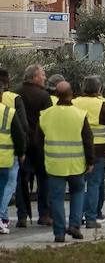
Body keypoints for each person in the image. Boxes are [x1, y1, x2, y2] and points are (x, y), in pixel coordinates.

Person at [36, 81, 93, 243]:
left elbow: (38, 141)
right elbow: (88, 140)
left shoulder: (46, 115)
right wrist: (90, 161)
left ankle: (59, 233)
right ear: (71, 94)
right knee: (77, 193)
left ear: (56, 95)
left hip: (54, 164)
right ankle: (75, 224)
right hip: (76, 164)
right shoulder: (80, 114)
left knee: (56, 198)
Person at [73, 76, 105, 230]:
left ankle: (77, 216)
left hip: (77, 148)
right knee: (94, 184)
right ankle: (91, 217)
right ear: (100, 89)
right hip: (98, 150)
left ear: (83, 88)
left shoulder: (74, 102)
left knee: (79, 184)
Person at [17, 63, 49, 227]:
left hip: (21, 143)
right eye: (42, 75)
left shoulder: (16, 93)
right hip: (39, 144)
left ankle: (22, 216)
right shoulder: (44, 96)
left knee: (22, 179)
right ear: (35, 77)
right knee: (44, 179)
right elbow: (48, 121)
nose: (45, 78)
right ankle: (44, 214)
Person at [0, 70, 27, 235]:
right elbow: (20, 131)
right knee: (6, 187)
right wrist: (21, 152)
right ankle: (2, 216)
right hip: (6, 157)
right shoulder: (10, 109)